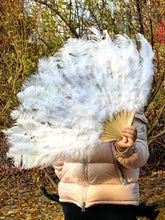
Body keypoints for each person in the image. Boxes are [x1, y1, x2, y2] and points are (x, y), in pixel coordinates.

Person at [52, 111, 149, 220]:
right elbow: (58, 153)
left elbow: (140, 159)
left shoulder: (128, 106)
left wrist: (124, 150)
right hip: (73, 201)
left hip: (116, 201)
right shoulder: (66, 106)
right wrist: (66, 176)